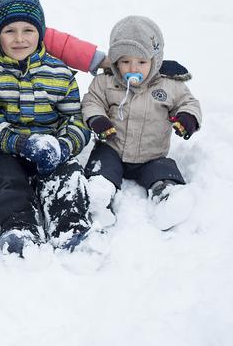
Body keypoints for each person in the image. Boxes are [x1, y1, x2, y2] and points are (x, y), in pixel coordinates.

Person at [0, 0, 97, 260]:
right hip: (6, 148)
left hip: (50, 144)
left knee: (68, 174)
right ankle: (18, 228)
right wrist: (18, 143)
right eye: (10, 31)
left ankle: (71, 227)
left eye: (28, 30)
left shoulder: (59, 72)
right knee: (3, 179)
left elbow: (76, 118)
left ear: (39, 33)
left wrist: (63, 146)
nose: (19, 39)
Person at [82, 15, 202, 231]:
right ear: (115, 61)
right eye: (125, 61)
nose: (132, 68)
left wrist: (188, 117)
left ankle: (166, 195)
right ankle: (99, 196)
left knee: (163, 169)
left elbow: (188, 102)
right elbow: (92, 101)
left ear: (155, 61)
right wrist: (97, 119)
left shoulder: (169, 85)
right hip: (113, 148)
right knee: (101, 164)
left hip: (151, 154)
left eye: (141, 62)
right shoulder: (105, 81)